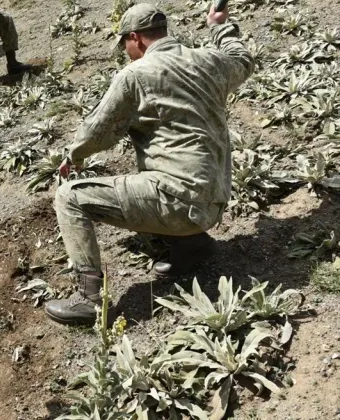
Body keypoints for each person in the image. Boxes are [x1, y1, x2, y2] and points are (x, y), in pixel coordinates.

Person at [44, 3, 255, 325]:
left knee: (69, 197)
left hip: (179, 202)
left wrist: (74, 156)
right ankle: (192, 247)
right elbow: (242, 59)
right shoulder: (208, 60)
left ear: (135, 38)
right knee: (158, 175)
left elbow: (98, 131)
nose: (127, 52)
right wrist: (220, 25)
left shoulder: (136, 74)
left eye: (126, 45)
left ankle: (89, 301)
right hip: (214, 200)